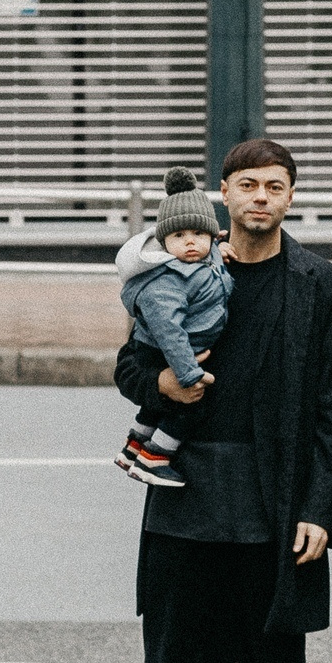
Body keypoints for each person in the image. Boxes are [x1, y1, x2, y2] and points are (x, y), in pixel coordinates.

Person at [104, 139, 332, 663]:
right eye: (248, 185)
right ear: (224, 193)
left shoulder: (317, 281)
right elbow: (129, 363)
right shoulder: (181, 261)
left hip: (274, 504)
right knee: (168, 662)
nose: (261, 197)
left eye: (275, 185)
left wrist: (318, 506)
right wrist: (163, 390)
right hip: (187, 496)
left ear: (291, 196)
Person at [112, 168, 232, 486]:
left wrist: (218, 248)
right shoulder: (167, 280)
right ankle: (154, 458)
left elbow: (212, 257)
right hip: (160, 351)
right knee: (188, 405)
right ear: (164, 243)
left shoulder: (203, 259)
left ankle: (132, 447)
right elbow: (169, 332)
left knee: (155, 408)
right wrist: (187, 373)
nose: (190, 242)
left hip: (176, 349)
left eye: (199, 234)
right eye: (179, 236)